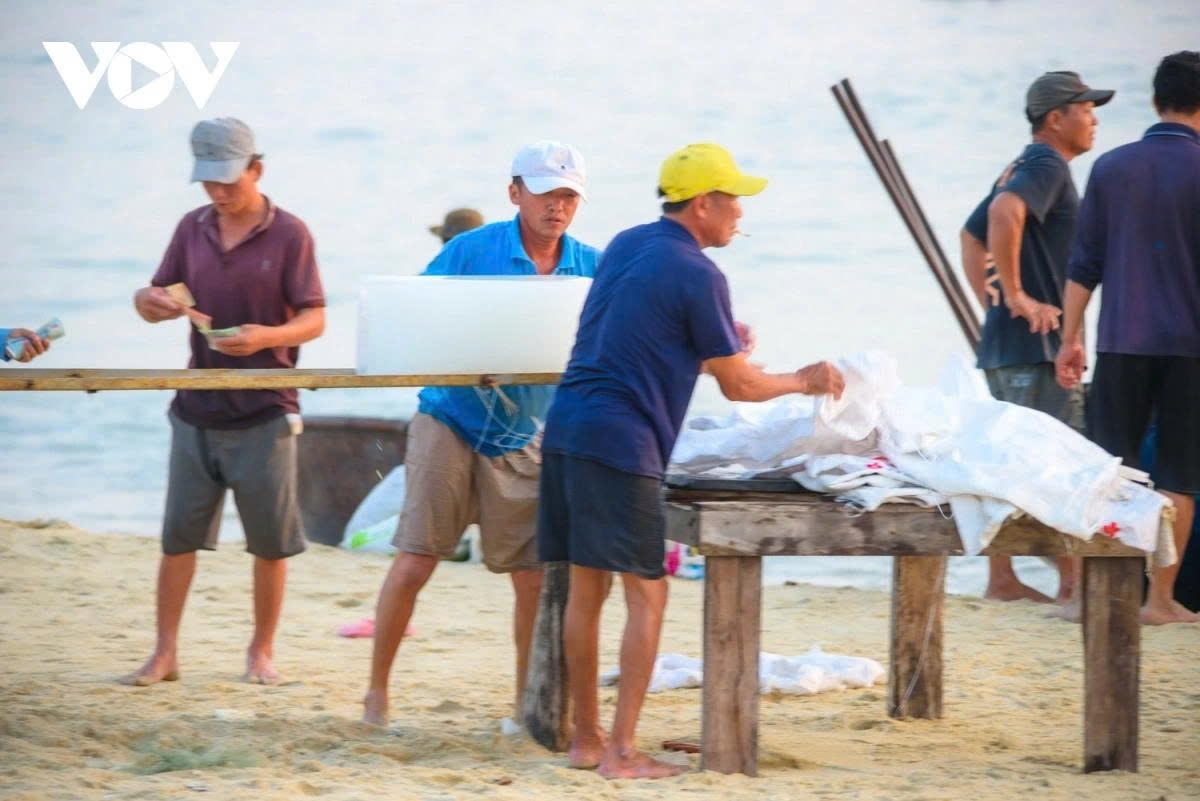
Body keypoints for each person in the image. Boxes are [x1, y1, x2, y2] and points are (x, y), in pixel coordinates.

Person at [538, 143, 845, 779]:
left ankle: (587, 739)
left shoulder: (628, 243)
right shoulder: (700, 273)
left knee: (587, 590)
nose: (741, 213)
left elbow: (641, 336)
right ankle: (622, 753)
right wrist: (805, 380)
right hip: (621, 441)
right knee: (648, 593)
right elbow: (741, 387)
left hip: (567, 427)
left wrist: (719, 344)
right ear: (703, 204)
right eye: (734, 200)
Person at [363, 140, 602, 726]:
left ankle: (525, 701)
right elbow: (413, 315)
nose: (557, 206)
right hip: (449, 417)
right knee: (416, 560)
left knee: (530, 577)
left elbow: (631, 323)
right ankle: (376, 693)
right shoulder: (470, 250)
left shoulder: (590, 265)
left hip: (525, 430)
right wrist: (468, 350)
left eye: (568, 196)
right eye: (545, 193)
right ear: (515, 192)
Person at [126, 117, 326, 685]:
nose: (217, 192)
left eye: (228, 181)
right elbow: (154, 297)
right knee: (177, 538)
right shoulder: (190, 228)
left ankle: (261, 653)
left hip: (267, 408)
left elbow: (315, 317)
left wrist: (266, 337)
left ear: (256, 169)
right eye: (208, 182)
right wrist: (148, 301)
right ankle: (164, 654)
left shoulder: (291, 234)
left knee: (270, 544)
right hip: (196, 405)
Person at [1055, 51, 1200, 625]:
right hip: (1191, 349)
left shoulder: (1111, 168)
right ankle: (1160, 600)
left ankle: (1093, 597)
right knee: (1179, 476)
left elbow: (1083, 265)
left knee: (1107, 474)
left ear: (1156, 100)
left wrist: (1070, 339)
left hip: (1121, 340)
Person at [959, 71, 1113, 604]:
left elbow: (971, 235)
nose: (1094, 119)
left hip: (1008, 347)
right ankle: (1071, 583)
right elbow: (1002, 214)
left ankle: (1003, 579)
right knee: (1060, 464)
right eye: (1085, 109)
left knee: (1007, 462)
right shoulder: (1047, 164)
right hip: (1036, 347)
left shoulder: (1022, 165)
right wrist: (1017, 296)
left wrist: (995, 303)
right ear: (1055, 118)